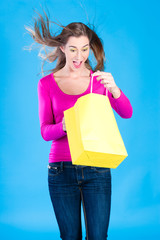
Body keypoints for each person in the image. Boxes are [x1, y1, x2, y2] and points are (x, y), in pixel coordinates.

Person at [25, 10, 133, 240]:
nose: (80, 56)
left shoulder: (99, 80)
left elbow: (127, 112)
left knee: (98, 237)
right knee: (70, 237)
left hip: (97, 168)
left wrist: (115, 90)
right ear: (62, 48)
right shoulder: (46, 84)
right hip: (60, 170)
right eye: (73, 49)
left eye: (85, 49)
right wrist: (65, 125)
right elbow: (45, 131)